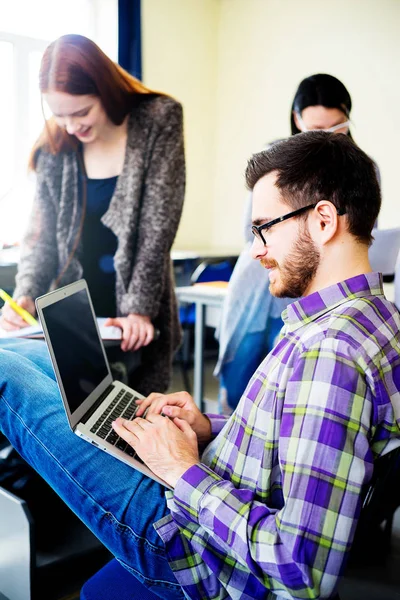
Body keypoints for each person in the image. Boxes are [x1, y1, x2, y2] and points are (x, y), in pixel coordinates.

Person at [1, 131, 399, 600]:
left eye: (265, 227)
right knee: (28, 355)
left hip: (198, 551)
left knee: (6, 372)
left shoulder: (329, 354)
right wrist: (207, 427)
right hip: (213, 490)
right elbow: (302, 434)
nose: (256, 250)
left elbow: (301, 572)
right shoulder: (376, 317)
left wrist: (181, 469)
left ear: (324, 220)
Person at [0, 34, 185, 395]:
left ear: (105, 88)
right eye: (60, 115)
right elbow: (41, 237)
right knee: (79, 421)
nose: (72, 127)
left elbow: (157, 225)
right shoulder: (55, 143)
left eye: (81, 112)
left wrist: (139, 309)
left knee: (136, 421)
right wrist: (26, 294)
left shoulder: (158, 119)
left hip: (136, 311)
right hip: (73, 317)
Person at [214, 73, 380, 414]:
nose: (324, 138)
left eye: (335, 128)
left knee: (289, 394)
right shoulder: (273, 167)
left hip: (313, 292)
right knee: (242, 380)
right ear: (296, 119)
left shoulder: (362, 171)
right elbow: (254, 232)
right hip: (262, 286)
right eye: (314, 129)